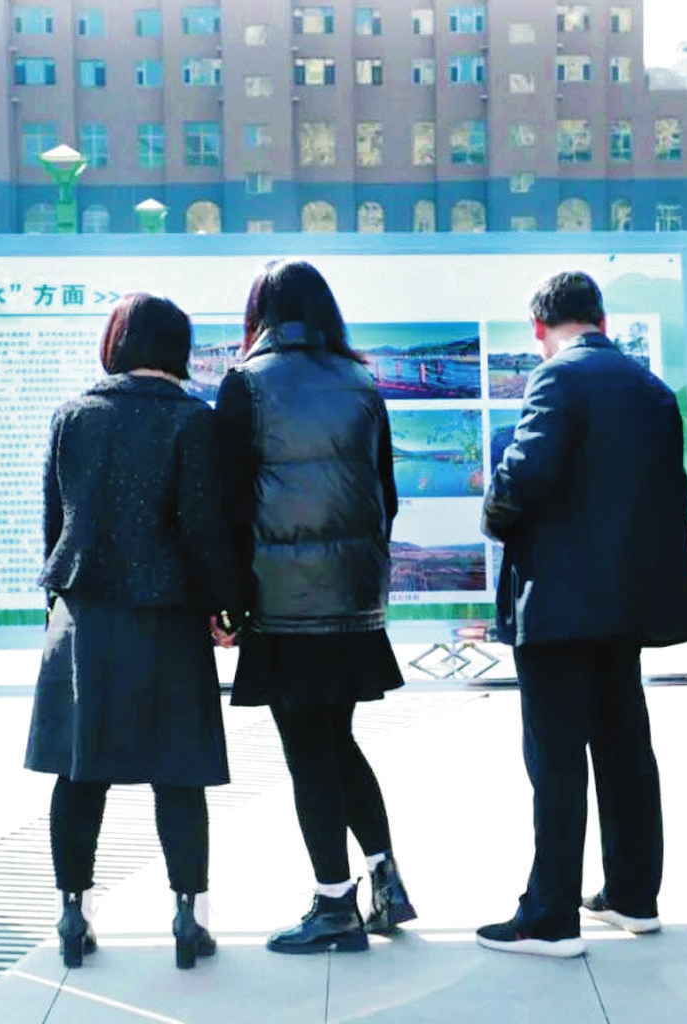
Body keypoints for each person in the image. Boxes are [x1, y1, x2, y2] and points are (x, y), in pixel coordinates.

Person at [476, 271, 687, 958]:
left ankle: (550, 916)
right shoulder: (651, 389)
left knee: (555, 760)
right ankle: (634, 895)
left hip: (558, 604)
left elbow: (523, 476)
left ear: (539, 327)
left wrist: (493, 516)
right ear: (600, 319)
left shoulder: (556, 379)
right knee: (623, 746)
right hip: (626, 604)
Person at [25, 293, 242, 972]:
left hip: (83, 616)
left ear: (114, 344)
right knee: (178, 774)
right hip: (167, 618)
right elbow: (204, 529)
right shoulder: (193, 420)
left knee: (78, 774)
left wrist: (56, 600)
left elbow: (54, 520)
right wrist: (226, 608)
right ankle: (188, 917)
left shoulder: (73, 415)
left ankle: (72, 914)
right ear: (178, 347)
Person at [214, 259, 416, 955]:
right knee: (338, 740)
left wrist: (228, 602)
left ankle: (334, 905)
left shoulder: (245, 383)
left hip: (283, 602)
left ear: (259, 313)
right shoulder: (362, 382)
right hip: (352, 599)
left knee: (307, 752)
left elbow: (230, 505)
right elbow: (386, 496)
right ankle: (386, 879)